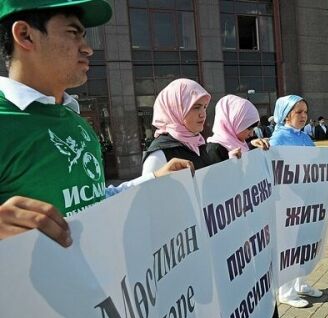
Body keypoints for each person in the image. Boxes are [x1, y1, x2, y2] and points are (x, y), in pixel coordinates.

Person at [0, 0, 192, 246]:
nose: (88, 49)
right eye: (73, 33)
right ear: (25, 35)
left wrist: (154, 179)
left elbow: (96, 199)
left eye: (85, 36)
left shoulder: (75, 121)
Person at [204, 94, 279, 318]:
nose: (251, 132)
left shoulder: (245, 145)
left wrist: (253, 149)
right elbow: (217, 196)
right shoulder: (214, 149)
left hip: (253, 233)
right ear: (232, 122)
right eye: (247, 127)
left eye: (254, 127)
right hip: (236, 240)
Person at [269, 95, 323, 308]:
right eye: (298, 112)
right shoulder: (277, 140)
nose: (303, 116)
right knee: (289, 245)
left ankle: (301, 283)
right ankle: (286, 291)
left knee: (304, 241)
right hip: (288, 202)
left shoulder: (304, 137)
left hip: (307, 198)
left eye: (305, 112)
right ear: (285, 114)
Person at [142, 78, 213, 174]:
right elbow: (148, 188)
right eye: (196, 107)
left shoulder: (197, 144)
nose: (203, 114)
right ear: (175, 109)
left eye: (204, 107)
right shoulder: (159, 155)